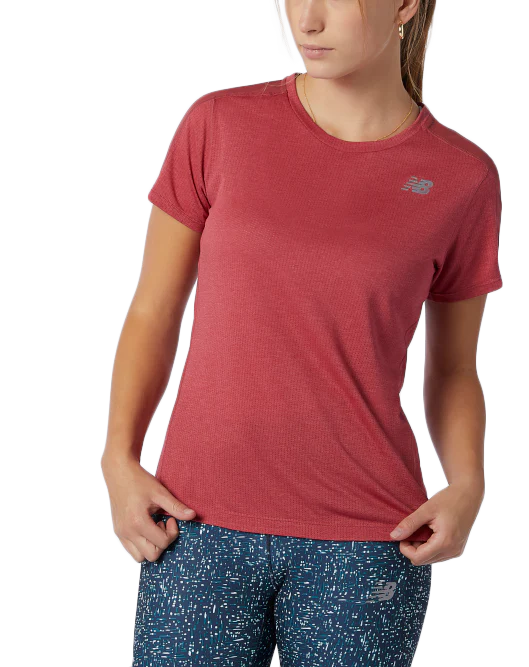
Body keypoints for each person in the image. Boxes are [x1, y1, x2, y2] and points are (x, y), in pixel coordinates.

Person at [101, 0, 504, 664]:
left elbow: (454, 366)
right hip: (194, 526)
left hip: (367, 541)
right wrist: (119, 460)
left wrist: (466, 485)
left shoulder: (461, 177)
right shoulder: (220, 126)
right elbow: (152, 311)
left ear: (406, 5)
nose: (306, 20)